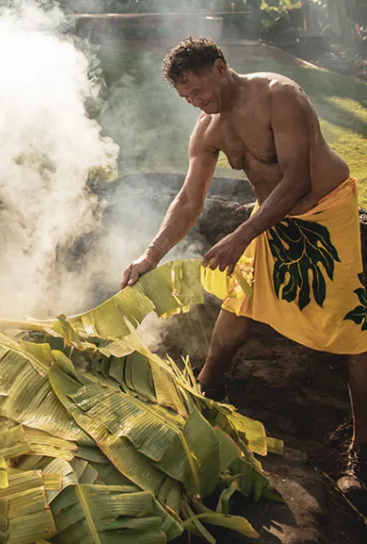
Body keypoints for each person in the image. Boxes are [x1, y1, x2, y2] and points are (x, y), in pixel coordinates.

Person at [120, 37, 367, 505]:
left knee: (355, 334)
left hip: (323, 218)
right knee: (237, 309)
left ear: (219, 68)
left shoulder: (279, 95)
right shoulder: (208, 130)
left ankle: (360, 451)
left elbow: (295, 179)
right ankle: (207, 394)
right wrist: (150, 255)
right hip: (267, 221)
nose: (196, 103)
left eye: (198, 91)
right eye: (186, 98)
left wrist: (240, 235)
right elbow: (189, 200)